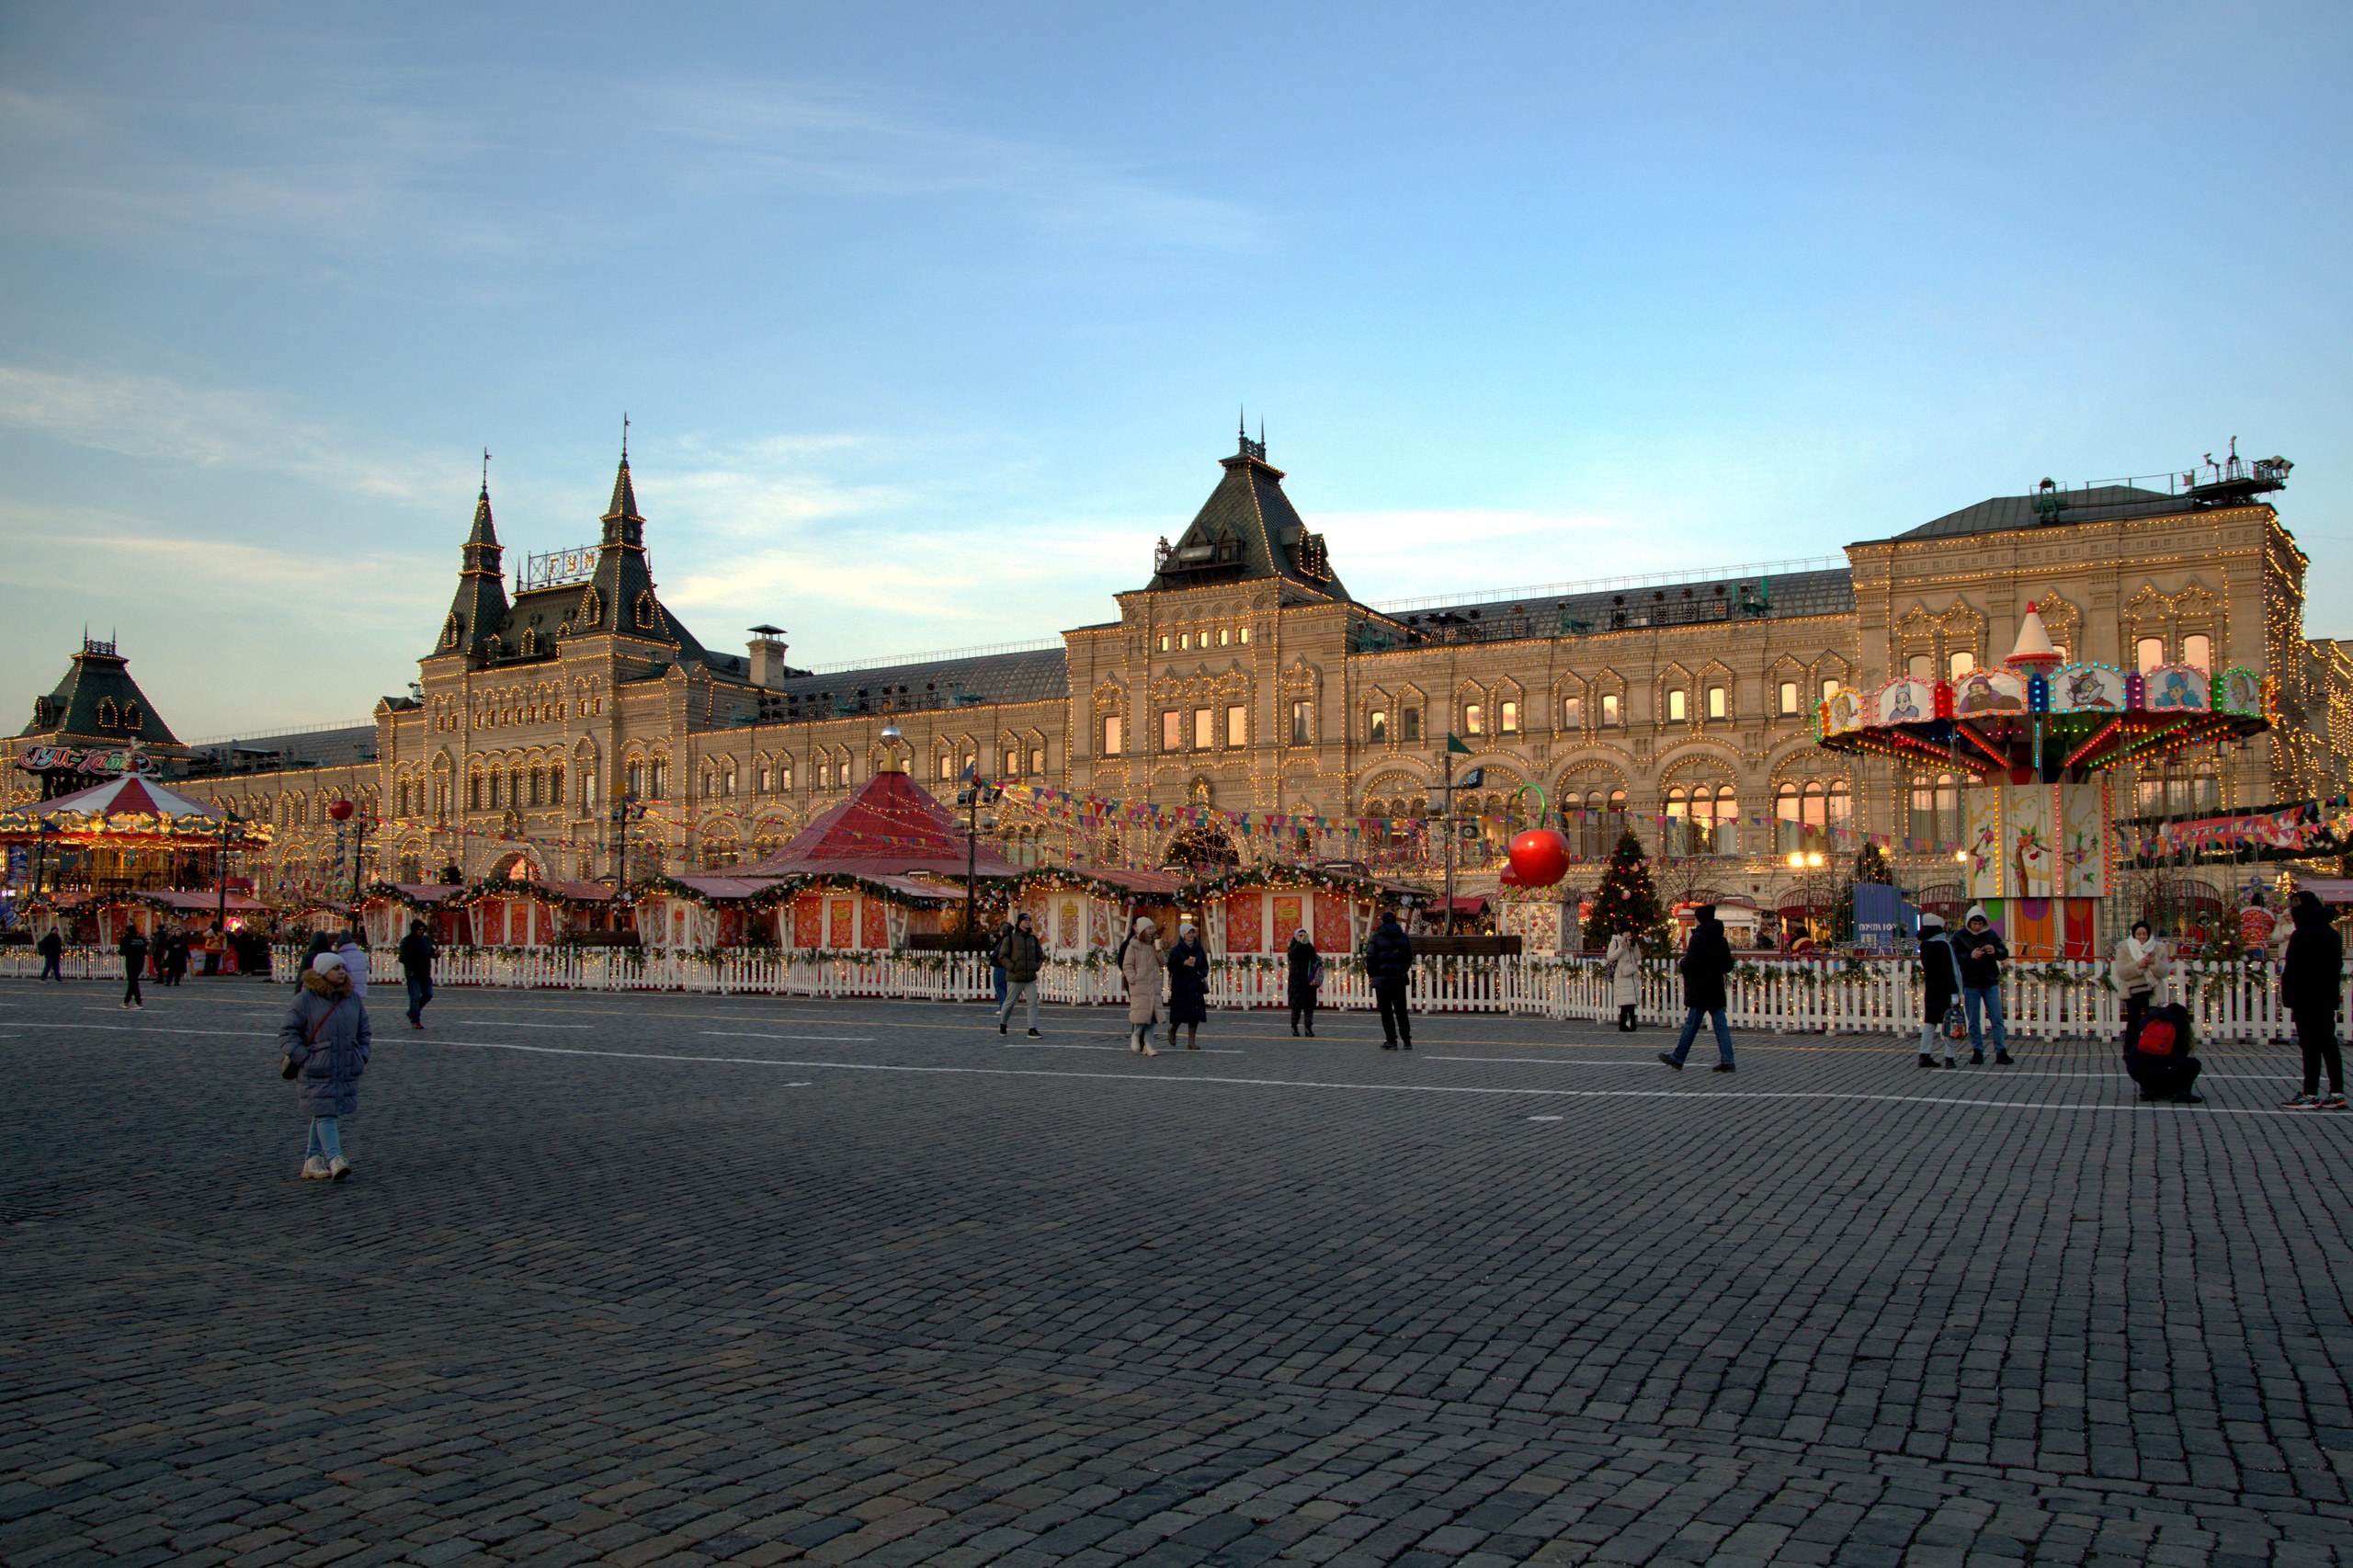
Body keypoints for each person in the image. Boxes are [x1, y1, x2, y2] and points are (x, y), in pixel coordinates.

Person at [279, 949, 370, 1181]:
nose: (341, 972)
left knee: (324, 1111)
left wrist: (361, 1055)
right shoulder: (304, 1000)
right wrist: (306, 1059)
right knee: (326, 1112)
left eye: (343, 968)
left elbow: (364, 1031)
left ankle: (312, 1159)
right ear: (322, 972)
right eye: (335, 968)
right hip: (317, 1068)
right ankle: (335, 1158)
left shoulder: (352, 999)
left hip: (344, 1066)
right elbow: (288, 1034)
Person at [2279, 893, 2346, 1109]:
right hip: (2326, 995)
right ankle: (2337, 1092)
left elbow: (2293, 969)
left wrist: (2288, 996)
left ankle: (2310, 1093)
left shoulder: (2301, 935)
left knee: (2310, 1045)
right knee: (2329, 1043)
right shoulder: (2332, 934)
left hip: (2305, 996)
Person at [1660, 904, 1735, 1072]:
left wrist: (1683, 963)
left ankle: (1678, 1057)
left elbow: (1692, 962)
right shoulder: (1721, 939)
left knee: (1691, 1025)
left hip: (1700, 987)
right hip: (1715, 987)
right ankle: (1728, 1060)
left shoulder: (1698, 938)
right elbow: (1728, 965)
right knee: (1720, 1026)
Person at [1952, 904, 2012, 1064]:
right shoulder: (1959, 936)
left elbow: (2004, 952)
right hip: (1971, 982)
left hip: (1989, 980)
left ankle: (2001, 1051)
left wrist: (1996, 951)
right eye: (1974, 924)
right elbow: (1954, 955)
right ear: (1969, 923)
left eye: (1980, 924)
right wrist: (1969, 955)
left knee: (1997, 1018)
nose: (1977, 927)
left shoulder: (1991, 934)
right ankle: (1977, 1050)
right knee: (1973, 1020)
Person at [2123, 998, 2202, 1103]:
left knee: (2148, 1066)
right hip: (2166, 1068)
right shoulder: (2178, 1022)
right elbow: (2180, 1053)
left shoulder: (2148, 1019)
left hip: (2137, 1067)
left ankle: (2147, 1090)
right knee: (2193, 1064)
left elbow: (2129, 1042)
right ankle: (2183, 1092)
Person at [1364, 908, 1415, 1050]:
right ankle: (1407, 1040)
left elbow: (1370, 958)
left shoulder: (1376, 938)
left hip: (1382, 980)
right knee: (1401, 1011)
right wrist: (1402, 970)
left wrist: (1373, 974)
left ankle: (1391, 1040)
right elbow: (1409, 956)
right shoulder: (1403, 937)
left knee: (1386, 1012)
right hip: (1398, 979)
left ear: (1382, 921)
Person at [2112, 920, 2170, 1044]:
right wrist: (2137, 965)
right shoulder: (2125, 948)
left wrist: (2155, 963)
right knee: (2134, 1022)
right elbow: (2121, 972)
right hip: (2133, 991)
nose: (2142, 937)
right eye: (2139, 934)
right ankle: (2130, 1049)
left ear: (2149, 934)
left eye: (2144, 934)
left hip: (2153, 991)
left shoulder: (2159, 948)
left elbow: (2165, 972)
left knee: (2153, 1022)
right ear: (2134, 934)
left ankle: (2151, 1049)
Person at [1916, 913, 1961, 1069]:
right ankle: (1949, 1057)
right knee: (1949, 1023)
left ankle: (1924, 1055)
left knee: (1930, 1023)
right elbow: (1951, 969)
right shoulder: (1944, 945)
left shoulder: (1924, 945)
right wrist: (1955, 991)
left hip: (1931, 989)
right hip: (1946, 989)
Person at [993, 912, 1045, 1038]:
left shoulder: (1033, 939)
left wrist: (1036, 965)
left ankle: (1032, 1028)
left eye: (1029, 920)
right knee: (1009, 1003)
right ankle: (1003, 1023)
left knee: (1033, 1002)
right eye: (1025, 920)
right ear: (1019, 923)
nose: (1028, 922)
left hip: (1030, 977)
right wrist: (1012, 967)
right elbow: (1002, 956)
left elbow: (1040, 955)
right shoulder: (1010, 939)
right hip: (1015, 977)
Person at [1120, 916, 1162, 1054]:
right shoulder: (1133, 946)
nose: (1152, 931)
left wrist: (1159, 950)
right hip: (1140, 986)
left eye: (1153, 928)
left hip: (1152, 985)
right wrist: (1133, 979)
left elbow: (1162, 962)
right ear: (1143, 930)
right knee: (1141, 1015)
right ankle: (1136, 1035)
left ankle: (1148, 1044)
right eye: (1149, 928)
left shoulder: (1153, 946)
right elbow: (1127, 965)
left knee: (1152, 1016)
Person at [1166, 922, 1209, 1050]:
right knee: (1180, 1012)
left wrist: (1201, 973)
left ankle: (1191, 1041)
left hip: (1195, 985)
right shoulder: (1176, 950)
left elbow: (1204, 965)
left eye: (1192, 932)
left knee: (1194, 1014)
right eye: (1188, 933)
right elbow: (1171, 966)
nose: (1191, 935)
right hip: (1181, 985)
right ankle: (1173, 1030)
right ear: (1183, 935)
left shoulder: (1199, 949)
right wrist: (1183, 963)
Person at [397, 918, 437, 1030]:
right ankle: (415, 1020)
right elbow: (401, 958)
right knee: (415, 997)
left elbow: (431, 952)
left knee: (428, 995)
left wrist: (435, 954)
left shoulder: (425, 940)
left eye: (422, 930)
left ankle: (412, 1012)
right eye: (419, 930)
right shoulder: (406, 941)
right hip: (413, 973)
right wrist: (414, 959)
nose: (420, 932)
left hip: (425, 972)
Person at [1286, 926, 1322, 1037]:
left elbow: (1314, 957)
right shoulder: (1294, 946)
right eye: (1300, 935)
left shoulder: (1309, 946)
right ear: (1296, 936)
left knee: (1309, 1006)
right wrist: (1299, 944)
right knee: (1296, 1006)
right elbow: (1291, 955)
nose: (1302, 937)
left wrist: (1306, 944)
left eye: (1304, 936)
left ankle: (1308, 1027)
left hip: (1309, 980)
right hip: (1296, 981)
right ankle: (1294, 1026)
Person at [1605, 930, 1642, 1031]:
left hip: (1632, 974)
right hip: (1622, 975)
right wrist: (1621, 948)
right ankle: (1624, 1024)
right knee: (1625, 1003)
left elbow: (1638, 957)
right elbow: (1610, 957)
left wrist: (1634, 946)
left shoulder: (1632, 942)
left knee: (1631, 1002)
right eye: (1626, 932)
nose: (1629, 934)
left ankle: (1632, 1024)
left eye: (1630, 932)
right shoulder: (1615, 942)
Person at [2241, 890, 2277, 963]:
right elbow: (2272, 927)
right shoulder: (2267, 913)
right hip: (2261, 943)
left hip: (2246, 942)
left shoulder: (2244, 912)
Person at [118, 926, 149, 1010]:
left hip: (131, 962)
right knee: (133, 982)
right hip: (140, 962)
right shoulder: (141, 939)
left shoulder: (126, 939)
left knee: (133, 982)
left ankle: (138, 1002)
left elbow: (121, 952)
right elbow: (145, 951)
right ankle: (126, 1002)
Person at [334, 929, 369, 999]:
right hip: (361, 989)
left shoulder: (341, 956)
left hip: (347, 990)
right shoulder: (361, 954)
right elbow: (366, 966)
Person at [988, 917, 1011, 1009]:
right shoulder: (1011, 940)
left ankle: (1003, 1007)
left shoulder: (1003, 941)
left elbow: (997, 954)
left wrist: (991, 958)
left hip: (1000, 966)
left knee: (999, 986)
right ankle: (1006, 1006)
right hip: (1007, 966)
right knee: (1005, 987)